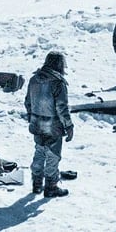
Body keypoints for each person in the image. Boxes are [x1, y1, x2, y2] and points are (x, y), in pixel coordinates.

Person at [25, 51, 74, 197]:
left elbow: (28, 102)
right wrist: (69, 126)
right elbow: (62, 107)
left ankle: (37, 182)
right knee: (53, 155)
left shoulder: (34, 79)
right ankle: (51, 186)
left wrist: (32, 117)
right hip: (53, 126)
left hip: (37, 124)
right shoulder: (57, 82)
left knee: (39, 151)